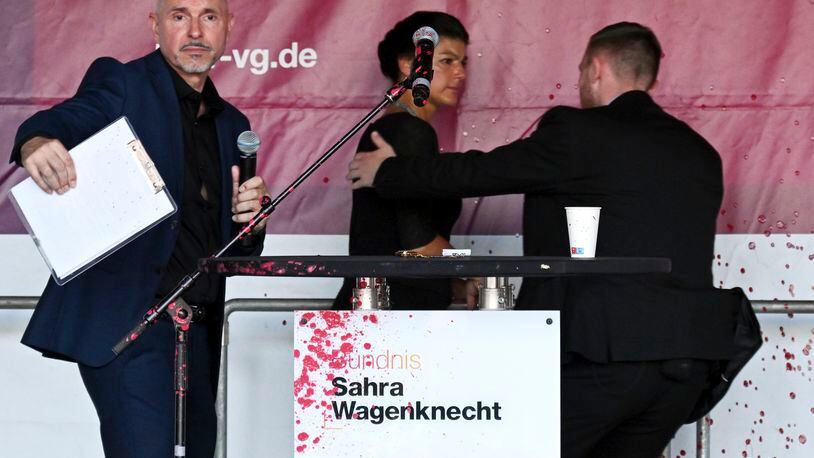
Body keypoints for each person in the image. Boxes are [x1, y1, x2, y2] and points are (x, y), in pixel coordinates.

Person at [348, 22, 745, 457]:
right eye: (448, 62)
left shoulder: (580, 133)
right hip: (684, 371)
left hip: (598, 360)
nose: (460, 73)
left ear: (595, 68)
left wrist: (388, 172)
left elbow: (484, 173)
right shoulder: (700, 152)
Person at [9, 0, 266, 456]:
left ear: (228, 27)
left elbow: (234, 253)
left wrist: (252, 222)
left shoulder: (234, 126)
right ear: (156, 25)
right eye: (179, 15)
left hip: (199, 334)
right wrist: (36, 141)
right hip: (135, 327)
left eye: (209, 16)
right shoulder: (124, 83)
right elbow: (65, 119)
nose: (194, 31)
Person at [333, 11, 470, 310]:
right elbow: (417, 246)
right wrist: (469, 268)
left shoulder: (396, 127)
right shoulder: (409, 131)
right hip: (390, 326)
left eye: (463, 62)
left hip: (385, 316)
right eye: (447, 61)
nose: (460, 73)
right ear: (409, 65)